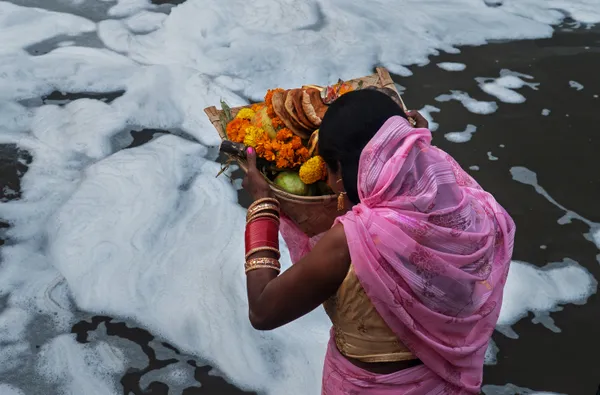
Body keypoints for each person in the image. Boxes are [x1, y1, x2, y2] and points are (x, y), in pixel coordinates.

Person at [241, 89, 515, 394]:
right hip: (445, 384)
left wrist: (263, 206)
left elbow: (263, 311)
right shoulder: (474, 203)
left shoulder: (352, 238)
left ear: (339, 173)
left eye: (328, 169)